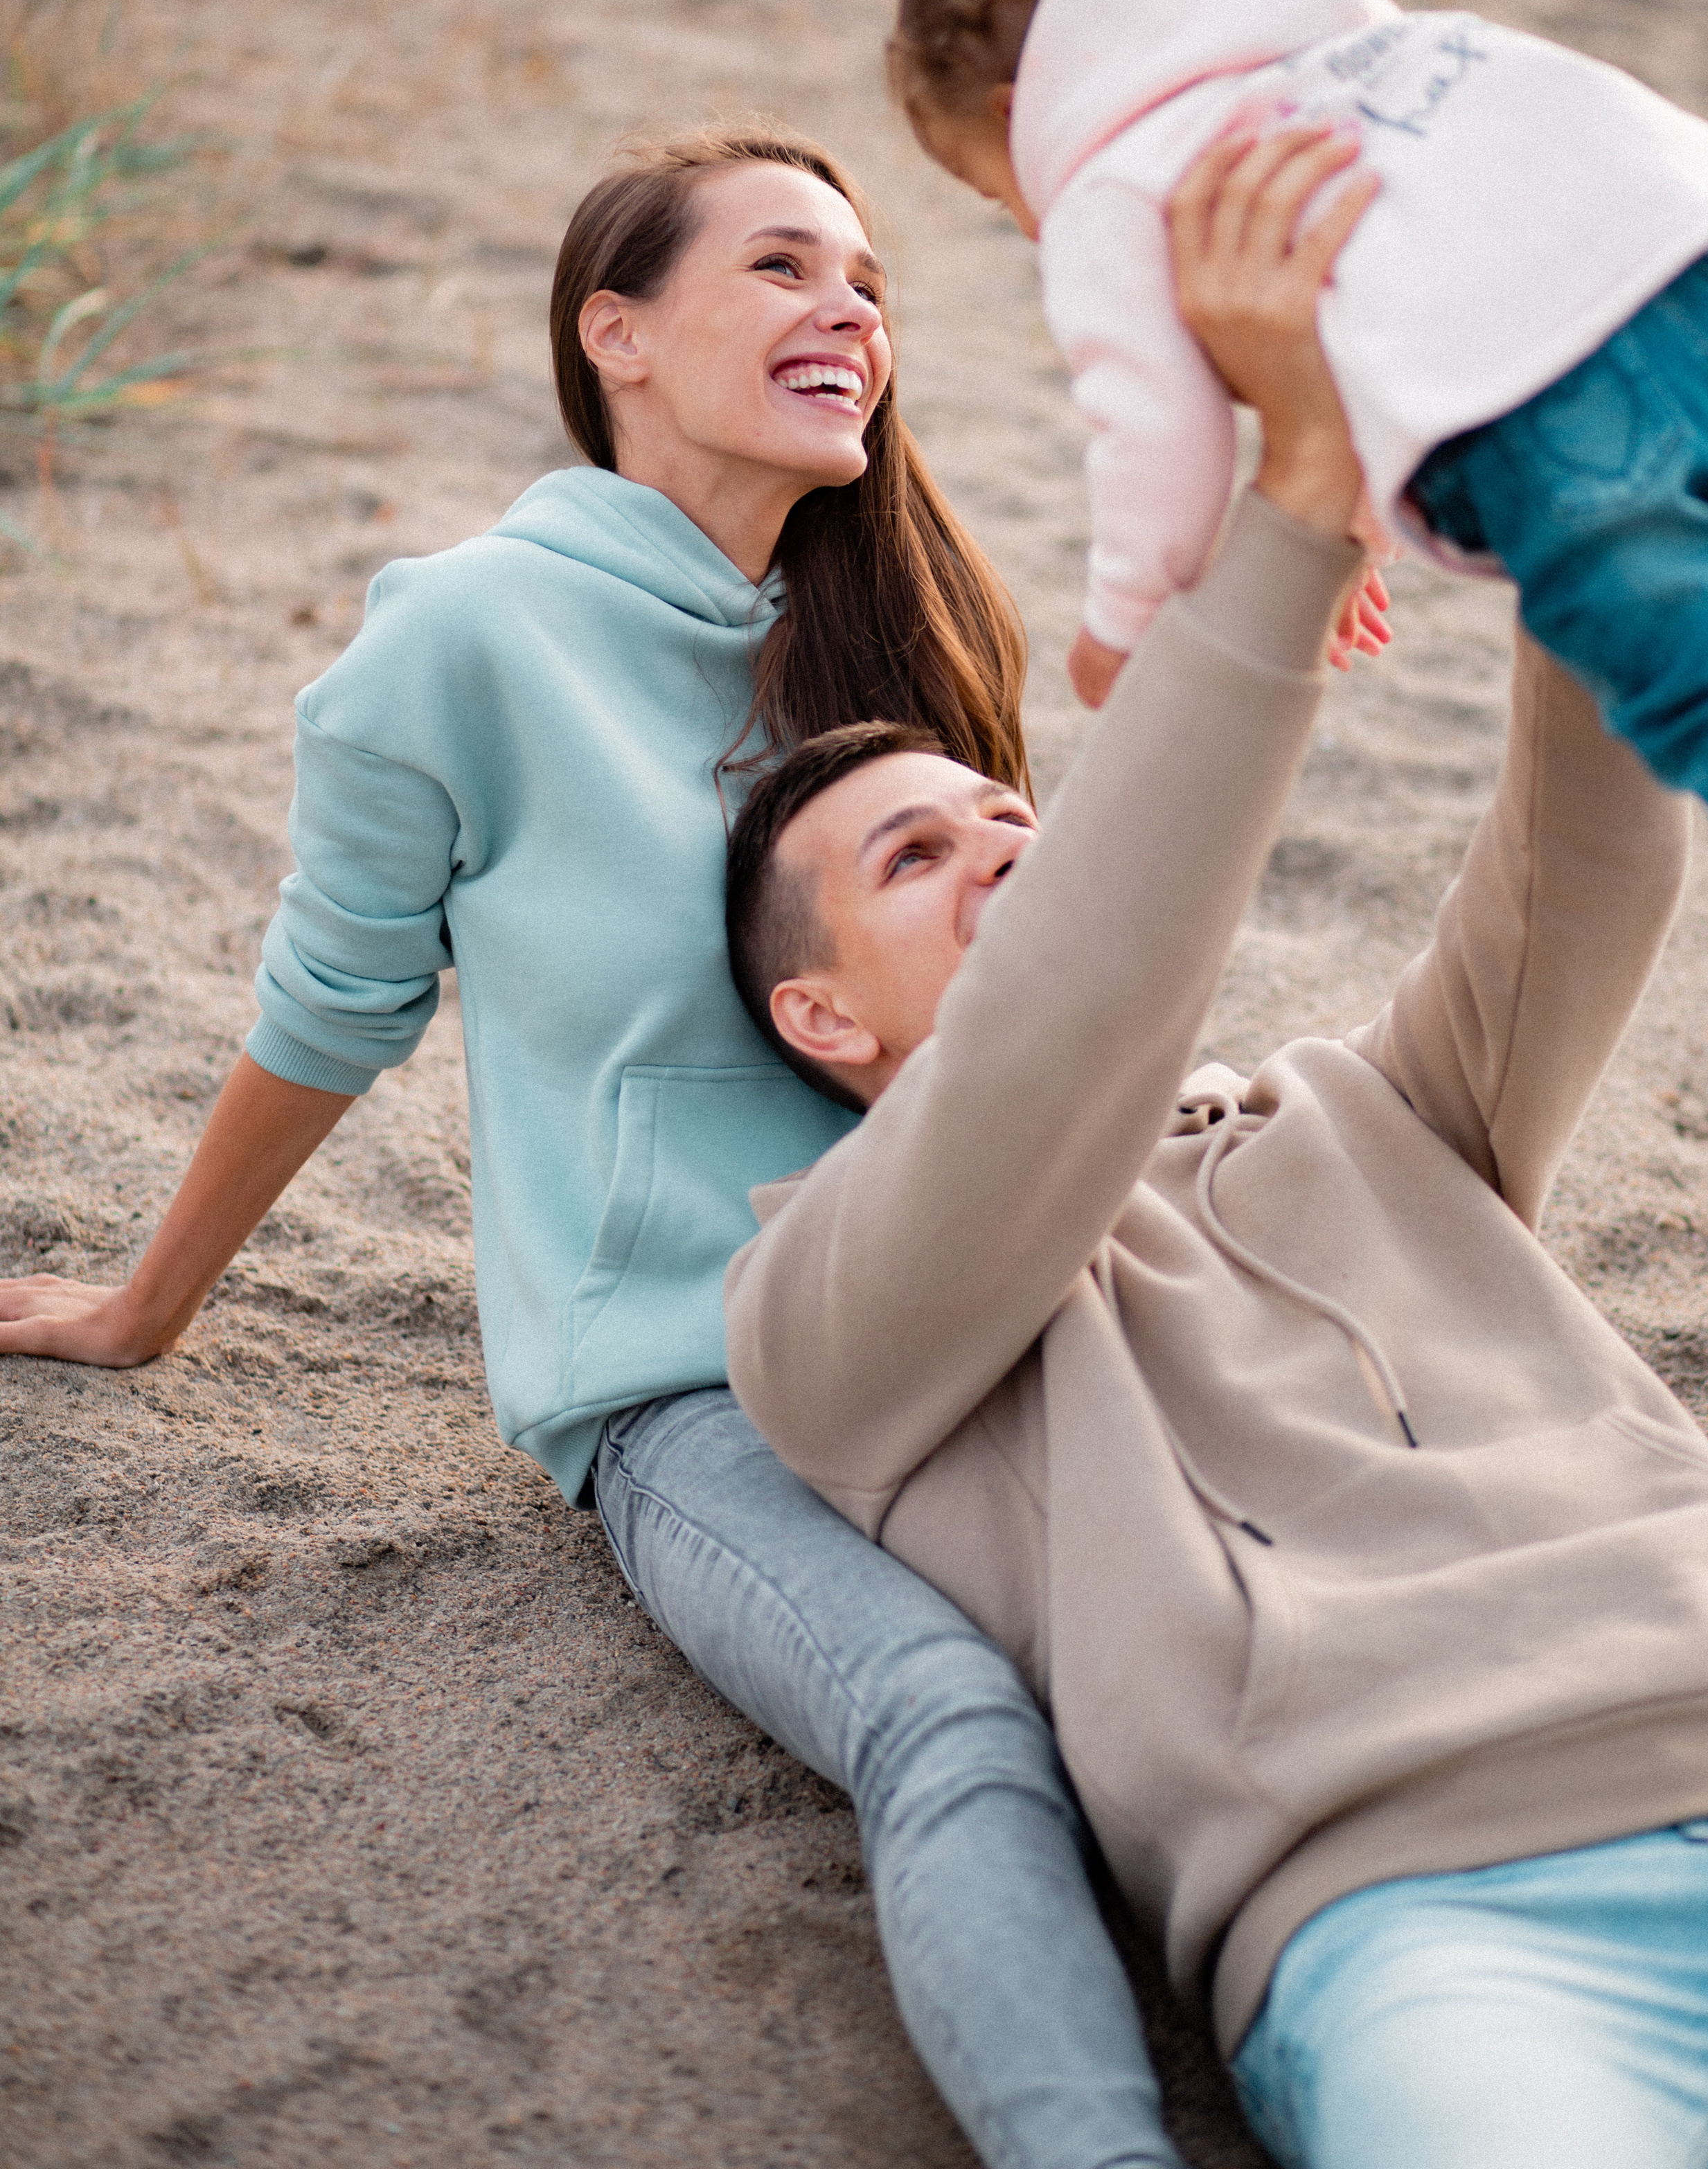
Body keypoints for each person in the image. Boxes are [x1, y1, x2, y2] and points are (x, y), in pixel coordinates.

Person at [0, 126, 1202, 2169]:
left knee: (1222, 1686)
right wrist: (143, 1305)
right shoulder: (460, 642)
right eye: (785, 268)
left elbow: (1014, 1024)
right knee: (951, 1725)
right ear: (615, 332)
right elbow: (330, 1018)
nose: (851, 310)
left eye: (873, 283)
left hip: (981, 1299)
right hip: (687, 1376)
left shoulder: (904, 634)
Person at [721, 133, 1708, 2169]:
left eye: (1017, 825)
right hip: (1446, 1921)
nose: (1006, 858)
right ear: (821, 1016)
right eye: (915, 858)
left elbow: (1583, 852)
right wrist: (1286, 507)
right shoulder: (820, 1326)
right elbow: (1080, 1005)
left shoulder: (1363, 1109)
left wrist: (1568, 459)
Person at [885, 0, 1708, 893]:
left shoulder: (1107, 180)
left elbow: (1158, 435)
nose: (1034, 214)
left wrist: (1121, 627)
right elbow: (1408, 265)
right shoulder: (1338, 50)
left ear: (1012, 116)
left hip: (1557, 419)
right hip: (1698, 290)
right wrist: (1357, 524)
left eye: (999, 196)